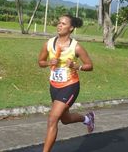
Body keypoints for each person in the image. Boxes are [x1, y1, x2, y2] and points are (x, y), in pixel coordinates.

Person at [38, 14, 95, 152]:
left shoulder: (76, 47)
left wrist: (76, 66)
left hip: (70, 86)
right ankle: (87, 118)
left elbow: (89, 65)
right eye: (59, 23)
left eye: (63, 24)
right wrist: (48, 63)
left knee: (52, 119)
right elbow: (40, 62)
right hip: (54, 86)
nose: (59, 25)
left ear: (71, 28)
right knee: (65, 119)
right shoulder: (49, 43)